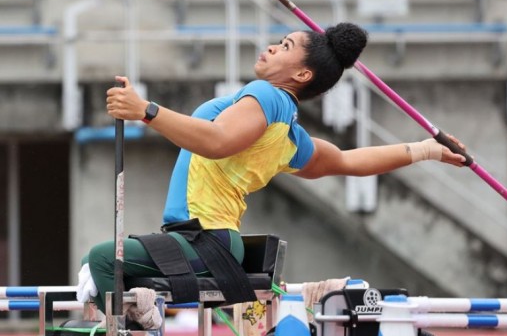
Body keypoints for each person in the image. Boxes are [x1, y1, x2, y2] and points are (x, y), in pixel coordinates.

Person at [78, 22, 468, 317]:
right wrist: (424, 150)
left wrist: (146, 111)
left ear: (301, 75)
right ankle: (143, 315)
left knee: (101, 259)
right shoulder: (290, 138)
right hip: (201, 241)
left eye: (285, 46)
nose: (271, 46)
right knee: (102, 271)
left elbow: (215, 141)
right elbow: (349, 161)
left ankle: (143, 319)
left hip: (202, 240)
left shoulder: (269, 97)